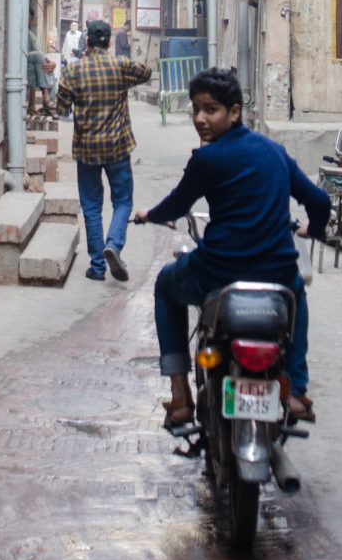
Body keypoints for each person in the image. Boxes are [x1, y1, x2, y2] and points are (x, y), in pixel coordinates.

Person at [135, 65, 330, 428]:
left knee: (165, 284)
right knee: (296, 294)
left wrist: (149, 215)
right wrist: (311, 230)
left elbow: (177, 206)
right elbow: (319, 201)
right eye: (195, 109)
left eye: (211, 109)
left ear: (234, 112)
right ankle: (298, 391)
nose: (200, 119)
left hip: (218, 274)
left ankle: (180, 398)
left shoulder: (206, 160)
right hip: (277, 273)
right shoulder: (275, 153)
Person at [57, 19, 152, 282]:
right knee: (122, 201)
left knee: (91, 206)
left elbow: (63, 112)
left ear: (86, 42)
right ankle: (114, 244)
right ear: (109, 42)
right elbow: (146, 73)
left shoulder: (73, 73)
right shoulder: (121, 67)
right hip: (117, 148)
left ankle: (97, 267)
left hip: (87, 149)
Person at [26, 15, 54, 117]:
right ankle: (47, 99)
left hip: (29, 64)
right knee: (39, 58)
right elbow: (39, 55)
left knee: (46, 67)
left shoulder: (30, 35)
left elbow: (39, 53)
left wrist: (50, 63)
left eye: (29, 17)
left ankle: (34, 105)